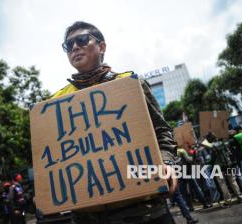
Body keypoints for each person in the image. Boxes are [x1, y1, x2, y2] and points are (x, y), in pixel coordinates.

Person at [51, 21, 179, 224]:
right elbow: (55, 156)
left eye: (82, 40)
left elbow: (162, 131)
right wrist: (48, 189)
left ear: (101, 47)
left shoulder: (130, 83)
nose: (75, 47)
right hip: (88, 218)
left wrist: (167, 163)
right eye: (69, 45)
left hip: (146, 212)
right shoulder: (56, 103)